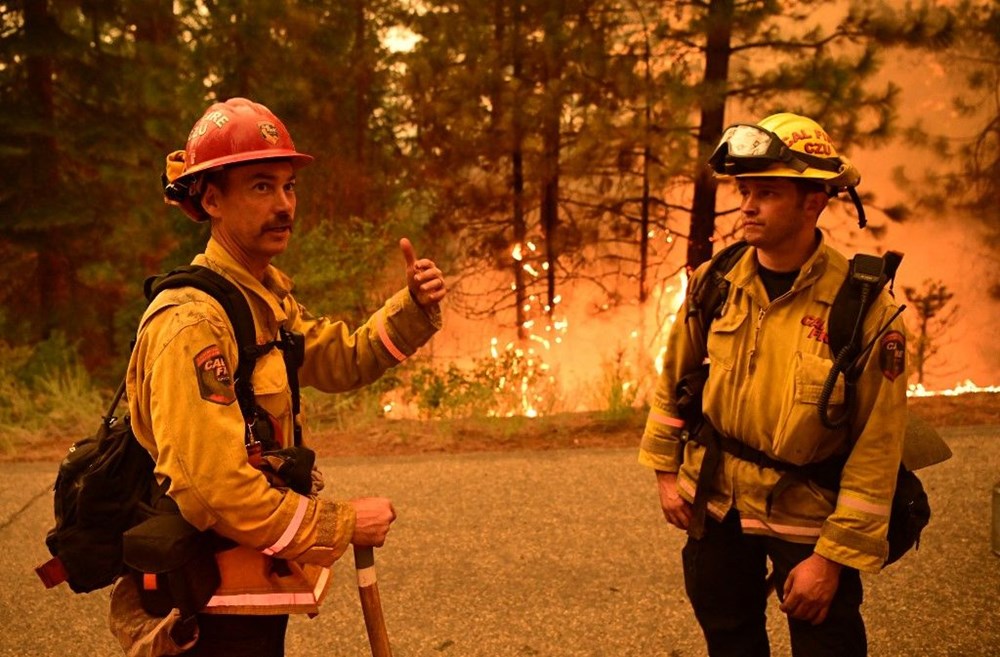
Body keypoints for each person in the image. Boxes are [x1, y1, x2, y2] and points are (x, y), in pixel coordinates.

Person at [109, 97, 446, 656]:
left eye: (289, 186)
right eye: (262, 187)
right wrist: (339, 525)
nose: (285, 204)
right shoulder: (194, 321)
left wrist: (410, 307)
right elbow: (215, 489)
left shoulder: (261, 298)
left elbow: (341, 357)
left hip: (246, 581)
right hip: (204, 604)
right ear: (211, 199)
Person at [638, 112, 907, 657]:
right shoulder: (716, 281)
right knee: (729, 637)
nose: (748, 206)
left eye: (768, 192)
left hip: (809, 517)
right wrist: (668, 476)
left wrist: (831, 558)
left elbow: (877, 448)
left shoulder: (864, 308)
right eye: (745, 190)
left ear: (813, 203)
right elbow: (673, 379)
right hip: (717, 504)